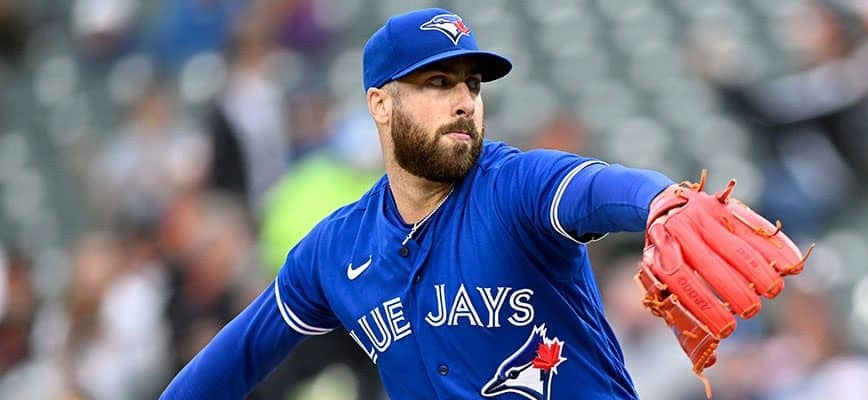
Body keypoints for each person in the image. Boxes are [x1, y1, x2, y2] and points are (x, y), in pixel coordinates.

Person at [162, 8, 801, 399]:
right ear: (380, 103)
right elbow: (231, 362)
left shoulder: (512, 189)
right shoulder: (336, 250)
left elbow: (592, 188)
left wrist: (659, 200)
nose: (464, 100)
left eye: (471, 84)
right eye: (438, 82)